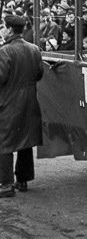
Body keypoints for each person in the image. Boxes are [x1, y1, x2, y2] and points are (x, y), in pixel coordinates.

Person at [0, 14, 44, 198]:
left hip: (9, 100)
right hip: (30, 100)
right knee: (25, 139)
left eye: (3, 26)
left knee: (5, 142)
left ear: (9, 29)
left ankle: (5, 184)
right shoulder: (34, 49)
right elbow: (39, 73)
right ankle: (23, 180)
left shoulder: (4, 51)